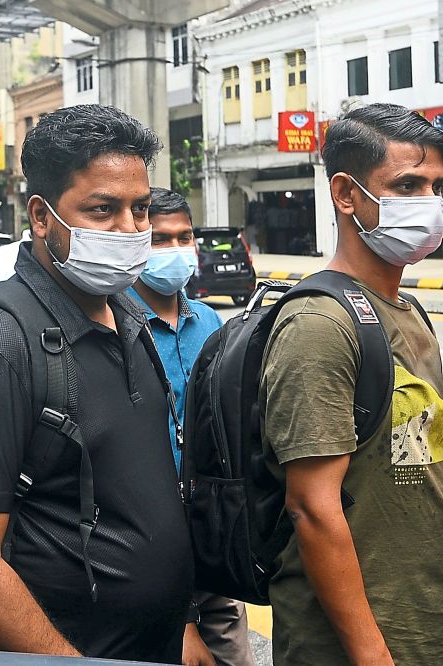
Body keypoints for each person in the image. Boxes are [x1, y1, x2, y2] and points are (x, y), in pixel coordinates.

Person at [0, 105, 193, 662]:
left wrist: (183, 625)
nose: (130, 230)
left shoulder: (128, 318)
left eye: (139, 209)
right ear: (42, 217)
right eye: (102, 210)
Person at [259, 103, 443, 666]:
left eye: (436, 186)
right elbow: (312, 508)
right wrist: (370, 652)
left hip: (433, 625)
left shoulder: (406, 310)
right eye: (406, 185)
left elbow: (410, 467)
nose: (428, 203)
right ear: (346, 194)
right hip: (360, 645)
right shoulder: (319, 323)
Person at [128, 187, 255, 666]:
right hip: (148, 534)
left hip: (211, 526)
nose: (177, 250)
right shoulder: (113, 323)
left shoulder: (207, 321)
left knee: (230, 649)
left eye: (184, 237)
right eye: (161, 239)